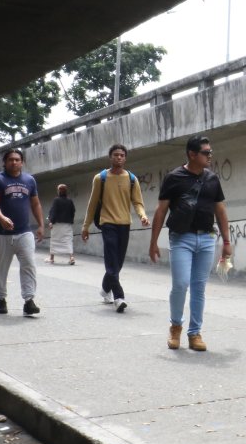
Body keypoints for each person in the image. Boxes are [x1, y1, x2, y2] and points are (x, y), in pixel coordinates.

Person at [148, 136, 231, 352]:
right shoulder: (174, 177)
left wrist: (227, 241)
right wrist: (153, 242)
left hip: (207, 238)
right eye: (206, 152)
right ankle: (175, 327)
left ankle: (195, 333)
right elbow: (161, 210)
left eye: (210, 152)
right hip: (181, 238)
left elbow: (220, 210)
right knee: (181, 284)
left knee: (198, 288)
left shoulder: (212, 179)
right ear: (192, 154)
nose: (210, 156)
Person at [81, 144, 148, 313]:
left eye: (122, 155)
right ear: (110, 157)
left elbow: (137, 202)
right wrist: (85, 226)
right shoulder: (100, 178)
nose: (119, 157)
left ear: (125, 158)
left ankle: (105, 289)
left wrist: (142, 215)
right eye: (116, 155)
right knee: (111, 260)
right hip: (107, 223)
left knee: (117, 263)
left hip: (124, 224)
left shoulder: (132, 179)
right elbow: (92, 204)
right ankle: (119, 297)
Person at [0, 149, 44, 316]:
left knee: (29, 265)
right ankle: (1, 299)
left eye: (17, 159)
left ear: (22, 162)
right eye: (10, 159)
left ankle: (29, 301)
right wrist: (1, 218)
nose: (14, 162)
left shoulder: (29, 180)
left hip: (24, 232)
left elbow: (35, 204)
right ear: (4, 162)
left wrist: (41, 225)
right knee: (0, 269)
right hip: (1, 234)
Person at [45, 184, 77, 265]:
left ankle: (52, 258)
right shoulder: (70, 201)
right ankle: (71, 257)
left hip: (57, 224)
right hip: (67, 225)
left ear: (58, 191)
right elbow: (73, 211)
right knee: (68, 240)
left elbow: (53, 211)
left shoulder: (56, 200)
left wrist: (51, 221)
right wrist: (70, 220)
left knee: (54, 240)